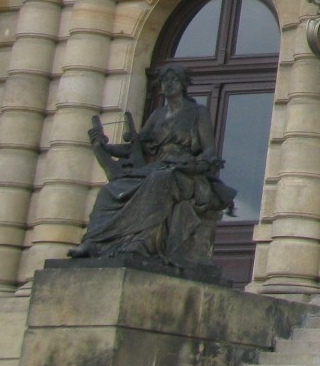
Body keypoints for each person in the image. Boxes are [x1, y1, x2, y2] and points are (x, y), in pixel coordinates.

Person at [71, 64, 235, 273]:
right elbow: (135, 147)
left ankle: (141, 242)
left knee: (158, 181)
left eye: (173, 79)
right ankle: (93, 241)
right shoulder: (158, 115)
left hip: (184, 172)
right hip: (157, 167)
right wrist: (104, 146)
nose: (168, 84)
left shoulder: (197, 112)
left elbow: (210, 149)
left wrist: (196, 163)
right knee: (111, 189)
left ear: (183, 84)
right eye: (165, 80)